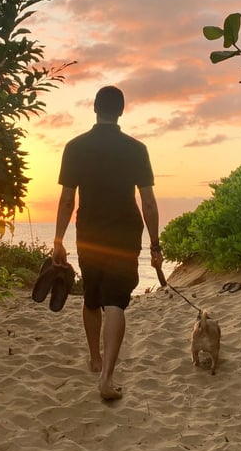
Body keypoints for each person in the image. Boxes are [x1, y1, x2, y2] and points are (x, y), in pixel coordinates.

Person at [52, 86, 163, 401]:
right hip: (125, 234)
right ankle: (107, 377)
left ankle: (94, 357)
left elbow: (65, 200)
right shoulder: (136, 149)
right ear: (122, 111)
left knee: (91, 297)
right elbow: (150, 203)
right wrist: (155, 244)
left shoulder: (75, 147)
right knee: (115, 302)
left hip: (89, 233)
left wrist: (58, 240)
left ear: (94, 108)